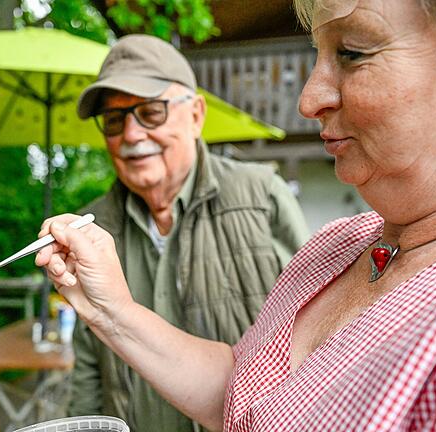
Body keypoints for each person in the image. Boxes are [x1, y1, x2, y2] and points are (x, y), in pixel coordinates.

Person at [37, 0, 436, 429]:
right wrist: (110, 310)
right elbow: (240, 394)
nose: (307, 98)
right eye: (112, 120)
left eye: (353, 51)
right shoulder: (338, 244)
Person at [67, 34, 311, 431]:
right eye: (114, 120)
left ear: (196, 114)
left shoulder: (261, 197)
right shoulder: (92, 229)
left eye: (151, 112)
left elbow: (313, 339)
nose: (130, 135)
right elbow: (90, 365)